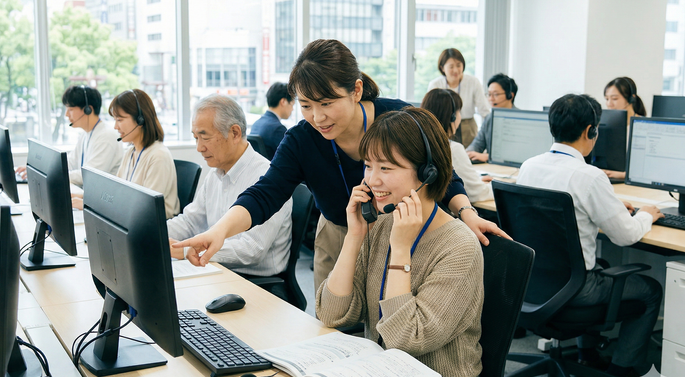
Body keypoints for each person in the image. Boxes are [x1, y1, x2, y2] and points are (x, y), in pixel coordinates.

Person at [173, 39, 506, 293]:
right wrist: (219, 232)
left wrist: (466, 212)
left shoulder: (398, 119)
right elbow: (265, 194)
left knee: (394, 323)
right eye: (306, 105)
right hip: (337, 234)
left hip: (401, 233)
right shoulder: (302, 140)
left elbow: (441, 171)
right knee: (334, 323)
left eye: (326, 103)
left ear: (356, 90)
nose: (317, 117)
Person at [316, 107, 483, 377]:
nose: (372, 180)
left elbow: (406, 340)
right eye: (368, 166)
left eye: (386, 168)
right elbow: (332, 313)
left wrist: (401, 250)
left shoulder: (459, 246)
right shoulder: (382, 224)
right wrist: (355, 236)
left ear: (427, 173)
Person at [517, 93, 663, 377]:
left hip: (534, 284)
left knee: (602, 264)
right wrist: (646, 215)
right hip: (576, 291)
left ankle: (587, 355)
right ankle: (620, 373)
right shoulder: (589, 176)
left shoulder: (529, 166)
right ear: (590, 131)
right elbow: (626, 236)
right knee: (651, 290)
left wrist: (610, 206)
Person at [167, 94, 292, 281]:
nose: (199, 148)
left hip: (257, 282)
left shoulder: (267, 178)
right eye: (195, 138)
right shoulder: (215, 173)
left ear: (234, 133)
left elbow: (252, 249)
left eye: (205, 137)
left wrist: (186, 251)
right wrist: (155, 233)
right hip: (217, 270)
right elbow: (190, 221)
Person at [72, 89, 180, 218]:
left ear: (140, 120)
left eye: (120, 120)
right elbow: (116, 195)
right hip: (129, 221)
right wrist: (86, 197)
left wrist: (92, 204)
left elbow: (147, 209)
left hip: (150, 226)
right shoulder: (130, 152)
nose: (115, 127)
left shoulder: (158, 156)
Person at [16, 85, 123, 186]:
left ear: (88, 109)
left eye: (70, 109)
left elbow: (89, 176)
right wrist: (40, 168)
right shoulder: (86, 134)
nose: (66, 114)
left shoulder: (106, 136)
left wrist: (51, 175)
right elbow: (71, 163)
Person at [422, 89, 492, 202]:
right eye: (459, 111)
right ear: (452, 117)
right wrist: (497, 188)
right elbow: (476, 193)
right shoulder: (452, 148)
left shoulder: (419, 143)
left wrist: (475, 181)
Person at [427, 48, 490, 148]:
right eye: (451, 67)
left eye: (458, 65)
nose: (456, 70)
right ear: (442, 68)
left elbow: (484, 111)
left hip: (467, 126)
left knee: (468, 155)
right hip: (444, 126)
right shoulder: (435, 84)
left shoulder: (473, 82)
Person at [467, 73, 518, 163]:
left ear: (510, 95)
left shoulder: (520, 119)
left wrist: (488, 157)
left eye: (495, 94)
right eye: (489, 94)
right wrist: (468, 153)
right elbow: (477, 143)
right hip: (492, 168)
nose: (491, 99)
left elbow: (517, 153)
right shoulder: (489, 118)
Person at [602, 77, 646, 181]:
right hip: (608, 177)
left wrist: (624, 175)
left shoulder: (644, 125)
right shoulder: (606, 125)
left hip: (632, 180)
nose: (609, 103)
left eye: (614, 99)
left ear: (631, 99)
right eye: (607, 99)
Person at [249, 82, 294, 159]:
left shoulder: (256, 124)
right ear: (283, 102)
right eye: (292, 104)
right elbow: (291, 157)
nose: (292, 109)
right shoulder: (278, 129)